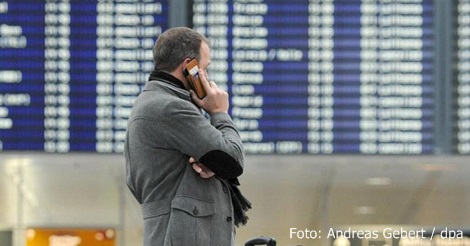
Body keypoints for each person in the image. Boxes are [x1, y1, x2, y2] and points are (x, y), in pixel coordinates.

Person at [124, 27, 251, 246]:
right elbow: (233, 160)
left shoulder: (154, 103)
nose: (207, 78)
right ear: (188, 67)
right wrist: (219, 113)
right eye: (204, 69)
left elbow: (221, 162)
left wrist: (213, 163)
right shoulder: (169, 107)